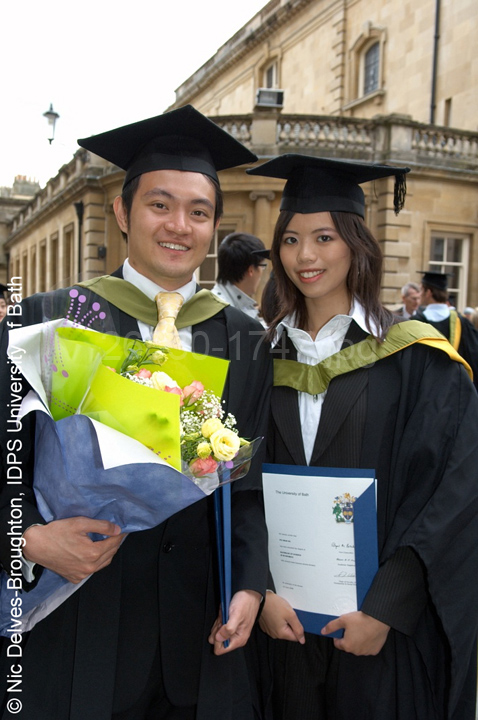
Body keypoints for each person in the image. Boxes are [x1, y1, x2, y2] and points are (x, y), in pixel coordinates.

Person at [0, 105, 272, 720]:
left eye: (198, 212)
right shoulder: (49, 320)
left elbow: (249, 486)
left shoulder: (244, 339)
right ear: (123, 213)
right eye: (159, 204)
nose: (179, 225)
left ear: (214, 226)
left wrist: (250, 583)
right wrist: (29, 540)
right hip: (74, 631)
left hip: (198, 643)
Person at [246, 154, 478, 720]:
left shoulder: (416, 358)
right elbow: (239, 486)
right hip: (283, 630)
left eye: (324, 237)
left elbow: (450, 490)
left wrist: (387, 607)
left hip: (381, 636)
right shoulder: (259, 356)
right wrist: (261, 589)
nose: (305, 255)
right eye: (291, 239)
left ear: (356, 245)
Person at [414, 271, 478, 390]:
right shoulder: (462, 322)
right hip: (455, 388)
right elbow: (474, 358)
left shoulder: (415, 322)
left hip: (424, 388)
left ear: (428, 292)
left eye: (421, 290)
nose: (419, 294)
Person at [211, 232, 269, 322]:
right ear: (251, 270)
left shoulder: (218, 304)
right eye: (262, 266)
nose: (261, 272)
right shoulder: (223, 313)